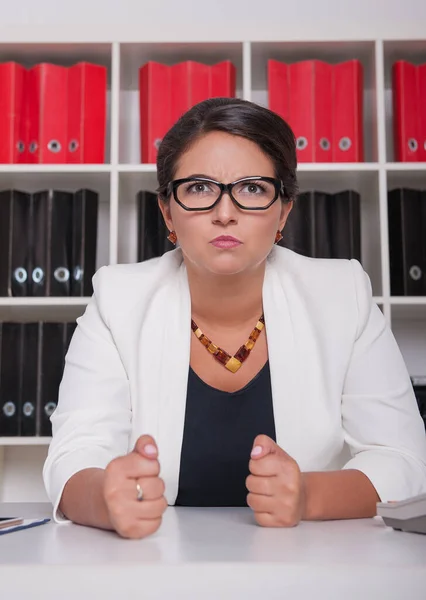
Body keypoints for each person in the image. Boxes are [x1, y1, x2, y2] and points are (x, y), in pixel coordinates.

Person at [43, 97, 426, 540]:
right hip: (151, 567)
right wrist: (104, 498)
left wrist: (308, 496)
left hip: (307, 565)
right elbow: (74, 455)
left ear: (284, 210)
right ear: (168, 210)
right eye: (200, 188)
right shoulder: (118, 299)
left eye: (252, 188)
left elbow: (404, 458)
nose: (225, 212)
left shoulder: (343, 294)